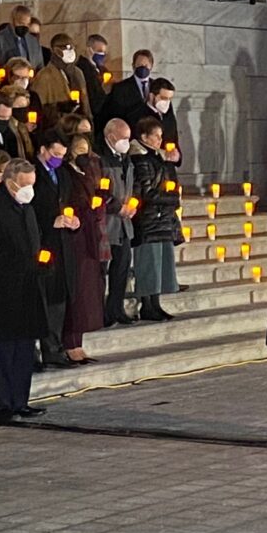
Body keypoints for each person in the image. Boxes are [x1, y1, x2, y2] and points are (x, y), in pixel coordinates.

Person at [0, 158, 48, 423]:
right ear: (10, 181)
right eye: (25, 184)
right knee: (3, 350)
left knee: (24, 349)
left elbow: (34, 238)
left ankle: (20, 400)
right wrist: (24, 263)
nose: (29, 190)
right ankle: (1, 404)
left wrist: (40, 262)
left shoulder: (25, 207)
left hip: (27, 288)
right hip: (1, 292)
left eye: (32, 184)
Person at [32, 130, 80, 368]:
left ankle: (54, 347)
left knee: (58, 297)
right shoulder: (32, 174)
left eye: (62, 155)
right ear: (43, 150)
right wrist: (50, 221)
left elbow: (70, 202)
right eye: (55, 154)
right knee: (40, 296)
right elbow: (29, 208)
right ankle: (38, 348)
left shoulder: (62, 173)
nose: (58, 159)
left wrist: (73, 220)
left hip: (61, 243)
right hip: (41, 242)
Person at [61, 133, 109, 363]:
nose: (83, 153)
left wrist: (99, 203)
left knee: (88, 289)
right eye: (78, 148)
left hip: (90, 232)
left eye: (86, 149)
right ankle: (69, 342)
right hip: (75, 235)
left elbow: (96, 195)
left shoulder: (88, 171)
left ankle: (78, 341)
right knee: (77, 288)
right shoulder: (67, 174)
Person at [129, 116, 181, 321]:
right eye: (156, 136)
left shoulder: (157, 157)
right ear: (144, 137)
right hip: (150, 219)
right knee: (148, 263)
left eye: (161, 136)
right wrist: (171, 198)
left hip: (162, 218)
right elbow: (147, 192)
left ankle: (156, 304)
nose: (160, 140)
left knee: (160, 264)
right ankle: (147, 305)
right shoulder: (141, 159)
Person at [100, 118, 137, 326]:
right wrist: (117, 207)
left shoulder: (126, 158)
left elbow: (131, 184)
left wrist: (131, 205)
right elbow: (100, 190)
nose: (126, 142)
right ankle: (101, 313)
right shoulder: (100, 158)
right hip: (108, 223)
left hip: (124, 225)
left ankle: (116, 308)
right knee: (102, 271)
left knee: (121, 269)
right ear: (111, 136)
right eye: (123, 138)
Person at [31, 33, 91, 126]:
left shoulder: (77, 72)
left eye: (72, 47)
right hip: (58, 127)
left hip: (79, 124)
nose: (70, 51)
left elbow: (85, 104)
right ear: (56, 50)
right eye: (66, 48)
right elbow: (39, 106)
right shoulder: (44, 76)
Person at [128, 77, 182, 167]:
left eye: (170, 99)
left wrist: (177, 157)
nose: (167, 102)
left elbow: (174, 139)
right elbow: (136, 146)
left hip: (168, 169)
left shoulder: (169, 115)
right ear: (152, 96)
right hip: (148, 167)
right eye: (163, 98)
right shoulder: (137, 115)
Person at [99, 49, 154, 132]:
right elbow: (115, 114)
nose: (142, 68)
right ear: (133, 66)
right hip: (130, 133)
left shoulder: (157, 86)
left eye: (146, 65)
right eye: (139, 65)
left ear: (151, 66)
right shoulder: (120, 88)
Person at [0, 4, 44, 69]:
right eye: (21, 23)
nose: (24, 27)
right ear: (13, 21)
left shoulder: (33, 41)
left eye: (27, 24)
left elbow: (40, 66)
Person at [77, 33, 110, 118]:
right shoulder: (83, 68)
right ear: (89, 50)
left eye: (104, 52)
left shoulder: (101, 69)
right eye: (99, 51)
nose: (102, 54)